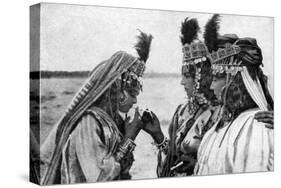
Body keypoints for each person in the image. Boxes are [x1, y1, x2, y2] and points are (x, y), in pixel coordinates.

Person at [40, 31, 153, 184]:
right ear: (117, 88)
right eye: (132, 94)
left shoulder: (112, 121)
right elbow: (99, 176)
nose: (135, 101)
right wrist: (129, 138)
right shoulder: (89, 122)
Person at [142, 16, 220, 177]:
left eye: (186, 76)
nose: (182, 82)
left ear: (200, 77)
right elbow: (172, 158)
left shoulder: (219, 113)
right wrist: (157, 135)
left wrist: (198, 163)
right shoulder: (182, 111)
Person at [194, 23, 274, 175]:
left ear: (234, 82)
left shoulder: (256, 124)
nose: (211, 87)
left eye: (217, 78)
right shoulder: (224, 122)